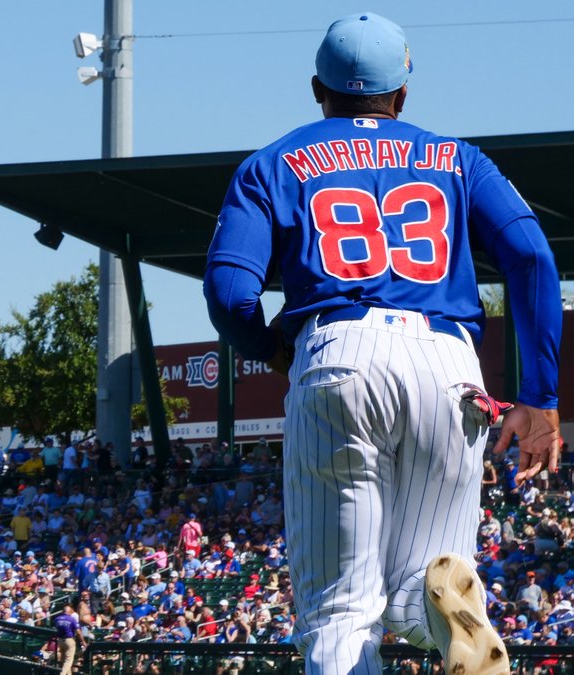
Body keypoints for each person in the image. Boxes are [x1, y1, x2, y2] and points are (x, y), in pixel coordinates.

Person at [204, 13, 560, 675]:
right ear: (402, 95)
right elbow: (533, 259)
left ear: (319, 89)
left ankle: (427, 611)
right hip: (450, 366)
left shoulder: (275, 161)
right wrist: (540, 396)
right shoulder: (458, 158)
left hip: (339, 352)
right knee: (422, 578)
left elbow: (229, 292)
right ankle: (440, 611)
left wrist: (272, 348)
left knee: (342, 612)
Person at [53, 603, 84, 675]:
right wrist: (83, 641)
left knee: (64, 660)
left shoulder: (57, 619)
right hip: (69, 640)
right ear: (69, 612)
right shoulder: (72, 619)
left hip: (60, 640)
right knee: (68, 660)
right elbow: (78, 632)